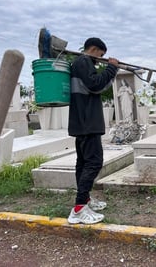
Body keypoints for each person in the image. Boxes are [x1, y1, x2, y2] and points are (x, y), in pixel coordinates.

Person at [67, 37, 120, 224]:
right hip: (87, 121)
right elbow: (95, 84)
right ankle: (79, 208)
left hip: (82, 121)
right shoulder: (83, 61)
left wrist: (110, 71)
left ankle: (85, 200)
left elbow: (95, 87)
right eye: (101, 55)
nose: (100, 59)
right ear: (94, 49)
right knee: (94, 162)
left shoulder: (80, 63)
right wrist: (112, 68)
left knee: (83, 163)